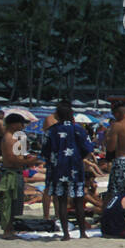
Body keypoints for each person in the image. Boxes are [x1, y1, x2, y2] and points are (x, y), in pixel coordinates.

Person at [42, 103, 96, 240]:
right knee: (78, 200)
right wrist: (78, 158)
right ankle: (82, 232)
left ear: (57, 116)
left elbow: (45, 151)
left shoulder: (51, 131)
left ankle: (66, 234)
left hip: (58, 169)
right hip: (75, 168)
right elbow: (88, 148)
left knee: (62, 201)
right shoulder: (79, 129)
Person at [0, 113, 38, 240]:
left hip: (15, 173)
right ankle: (7, 230)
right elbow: (11, 159)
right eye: (21, 123)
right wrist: (30, 162)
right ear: (14, 124)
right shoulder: (9, 138)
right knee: (9, 203)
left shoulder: (14, 138)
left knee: (16, 203)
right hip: (10, 174)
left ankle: (11, 229)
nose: (23, 126)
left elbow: (18, 156)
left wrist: (26, 158)